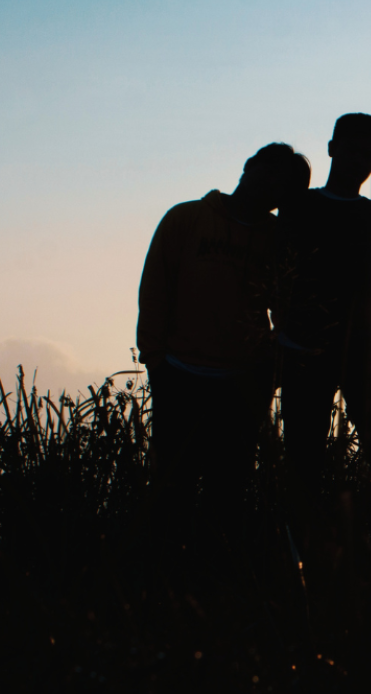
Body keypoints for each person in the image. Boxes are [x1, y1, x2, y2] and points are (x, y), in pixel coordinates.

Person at [136, 142, 295, 552]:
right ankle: (160, 577)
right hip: (179, 374)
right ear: (248, 168)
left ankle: (215, 580)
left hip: (243, 382)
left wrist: (271, 370)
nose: (271, 186)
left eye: (281, 182)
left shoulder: (279, 238)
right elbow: (155, 289)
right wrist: (155, 360)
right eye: (267, 173)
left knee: (229, 490)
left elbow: (290, 307)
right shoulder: (187, 218)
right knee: (172, 486)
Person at [273, 114, 371, 547]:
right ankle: (301, 550)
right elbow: (280, 267)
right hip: (305, 346)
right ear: (333, 148)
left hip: (365, 348)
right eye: (352, 150)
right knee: (302, 454)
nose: (360, 161)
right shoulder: (299, 206)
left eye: (369, 155)